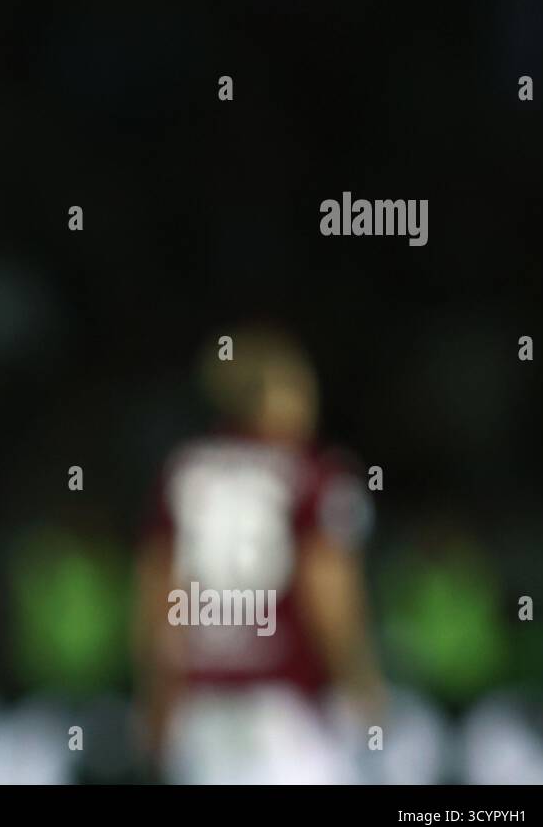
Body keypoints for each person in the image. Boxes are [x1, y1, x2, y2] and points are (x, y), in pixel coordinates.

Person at [132, 325, 383, 783]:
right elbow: (328, 598)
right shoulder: (314, 474)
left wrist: (156, 701)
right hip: (285, 714)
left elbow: (158, 603)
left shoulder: (183, 472)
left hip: (199, 712)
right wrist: (361, 686)